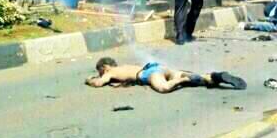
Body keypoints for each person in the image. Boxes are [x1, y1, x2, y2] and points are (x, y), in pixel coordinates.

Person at [86, 57, 246, 93]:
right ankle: (215, 77)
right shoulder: (124, 66)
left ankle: (180, 80)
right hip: (157, 66)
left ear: (105, 67)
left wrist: (90, 80)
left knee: (163, 88)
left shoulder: (110, 72)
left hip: (148, 73)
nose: (101, 75)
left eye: (100, 72)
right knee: (200, 79)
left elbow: (99, 83)